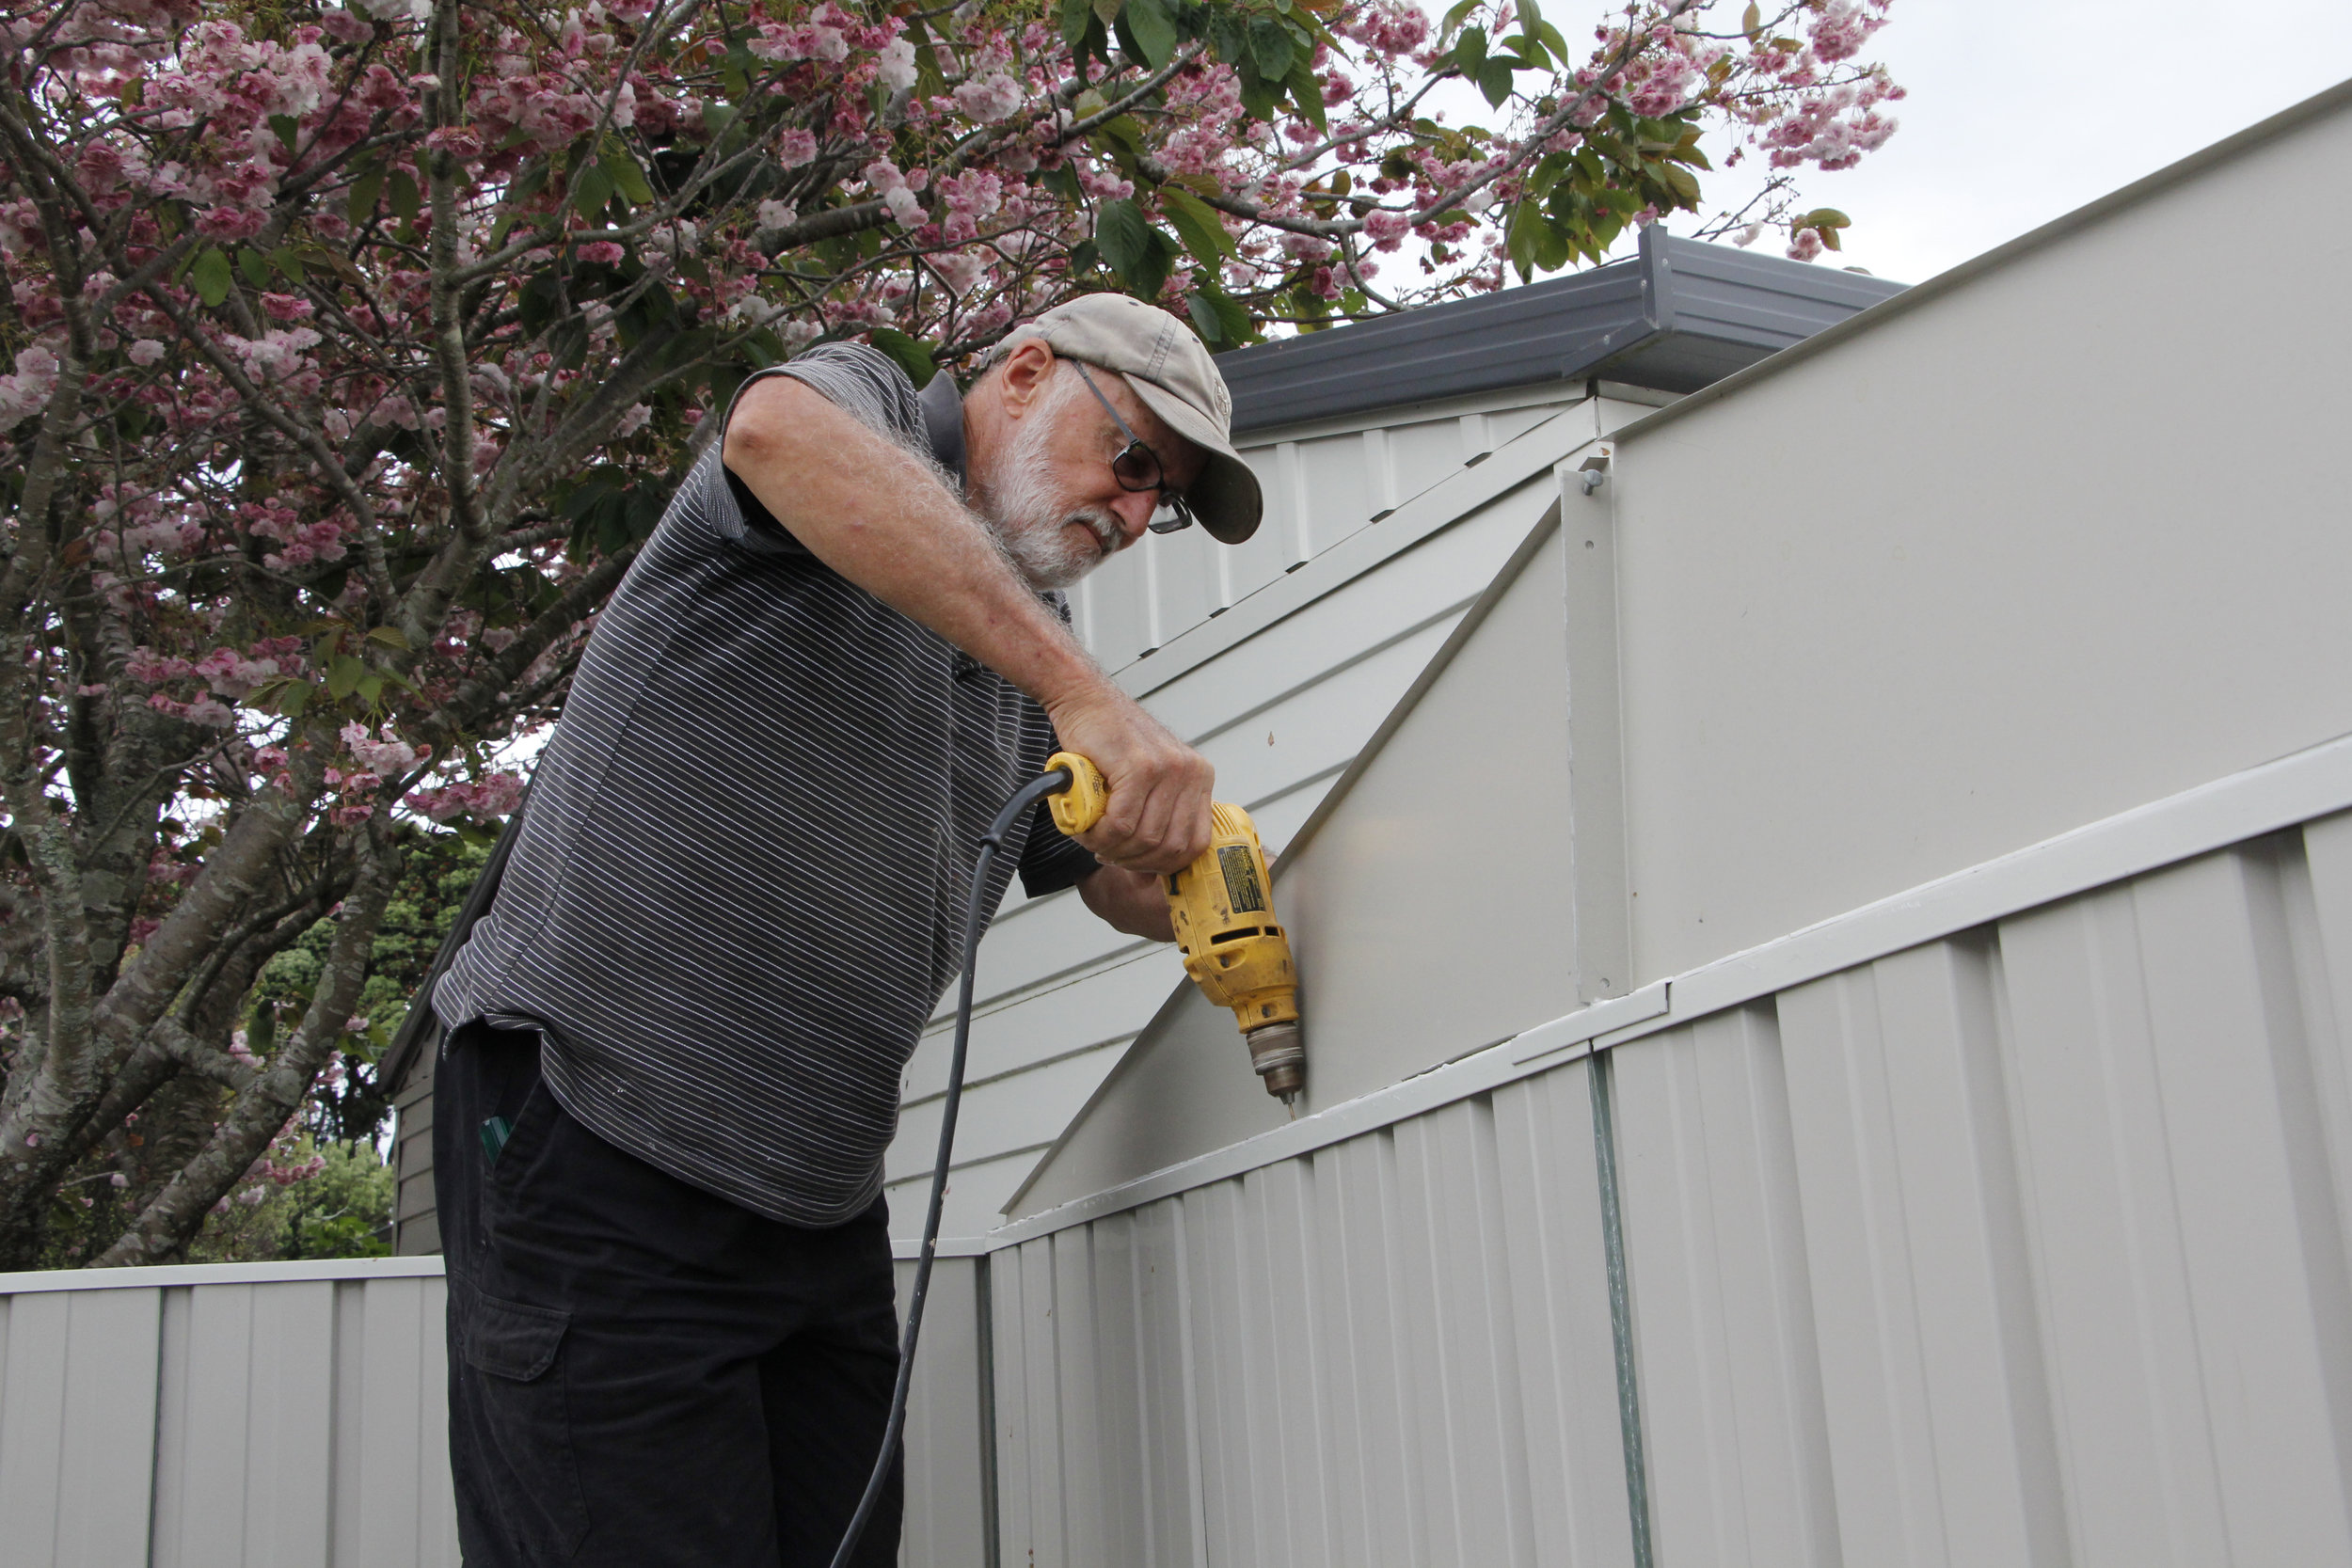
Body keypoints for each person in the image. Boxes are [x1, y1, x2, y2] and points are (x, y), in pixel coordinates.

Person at [426, 293, 1263, 1567]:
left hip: (816, 1206)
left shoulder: (1022, 650)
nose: (1140, 513)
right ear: (1026, 372)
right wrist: (1083, 695)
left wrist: (1240, 890)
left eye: (1171, 503)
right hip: (597, 1134)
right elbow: (771, 435)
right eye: (1136, 459)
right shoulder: (864, 408)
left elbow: (1099, 872)